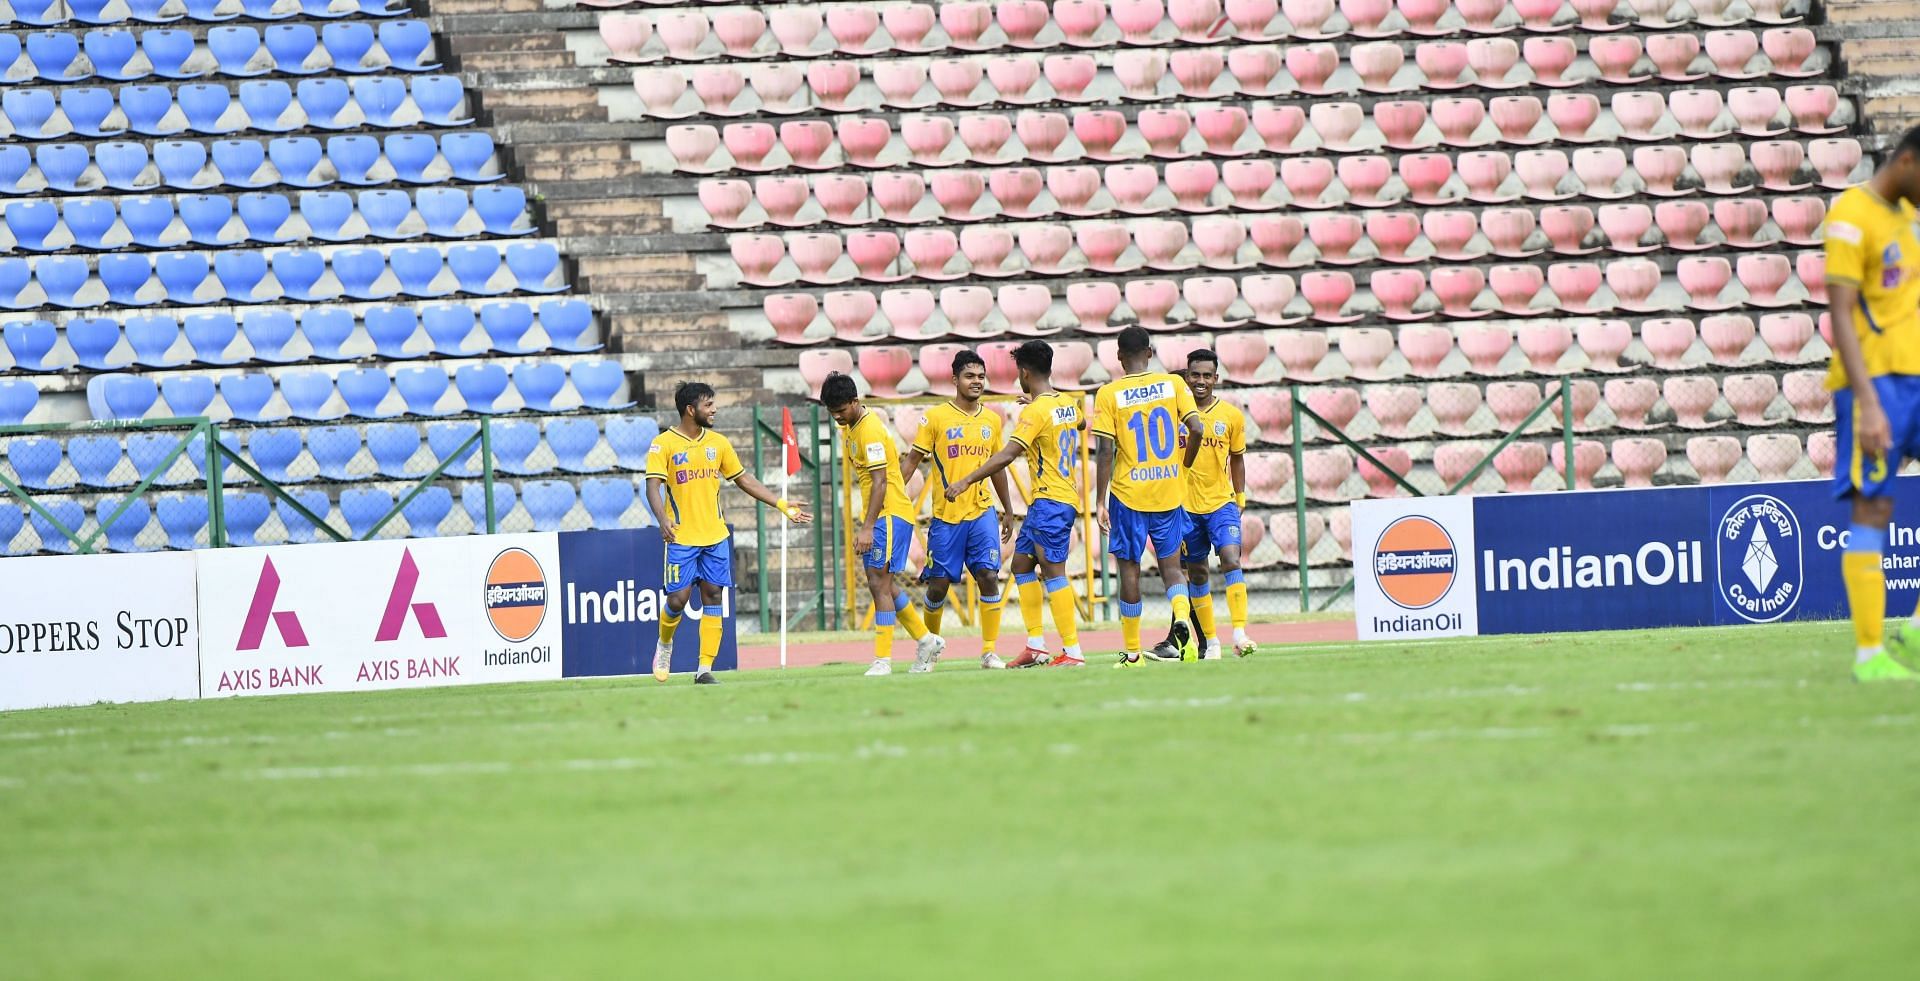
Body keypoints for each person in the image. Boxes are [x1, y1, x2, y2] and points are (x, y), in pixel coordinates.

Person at [1826, 125, 1920, 683]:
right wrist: (1868, 402)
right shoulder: (1850, 216)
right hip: (1875, 385)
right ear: (1907, 161)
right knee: (1874, 509)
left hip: (1917, 378)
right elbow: (1841, 314)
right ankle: (1869, 655)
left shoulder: (1907, 221)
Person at [645, 382, 812, 685]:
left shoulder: (719, 443)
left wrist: (780, 503)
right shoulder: (663, 444)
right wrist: (662, 519)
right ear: (690, 409)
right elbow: (652, 486)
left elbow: (743, 479)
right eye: (709, 405)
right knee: (678, 600)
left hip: (715, 536)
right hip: (682, 537)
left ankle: (704, 669)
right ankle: (665, 645)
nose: (715, 410)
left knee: (713, 595)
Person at [946, 340, 1088, 667]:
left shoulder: (1037, 411)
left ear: (1024, 372)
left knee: (1054, 572)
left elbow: (1008, 454)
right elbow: (1080, 423)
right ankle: (1036, 646)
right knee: (1021, 565)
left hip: (1052, 500)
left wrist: (967, 479)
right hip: (1053, 500)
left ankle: (1074, 651)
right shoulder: (1064, 402)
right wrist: (1037, 403)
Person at [1092, 326, 1205, 668]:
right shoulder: (1173, 385)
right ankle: (1182, 620)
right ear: (1150, 353)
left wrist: (1100, 499)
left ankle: (1132, 653)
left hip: (1129, 494)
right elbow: (1197, 428)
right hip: (1169, 490)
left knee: (1129, 570)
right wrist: (1183, 466)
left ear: (1119, 357)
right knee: (1172, 567)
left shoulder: (1109, 393)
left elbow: (1105, 449)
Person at [820, 372, 944, 676]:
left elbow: (879, 482)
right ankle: (926, 640)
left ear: (854, 401)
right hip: (885, 514)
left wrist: (868, 527)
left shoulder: (869, 430)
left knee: (877, 582)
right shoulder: (851, 426)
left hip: (888, 513)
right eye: (831, 412)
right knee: (884, 584)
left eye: (840, 410)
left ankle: (883, 660)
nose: (836, 417)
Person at [900, 351, 1016, 670]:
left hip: (982, 512)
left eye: (980, 376)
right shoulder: (936, 417)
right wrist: (894, 496)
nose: (976, 381)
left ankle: (990, 651)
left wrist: (1007, 509)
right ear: (955, 380)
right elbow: (912, 460)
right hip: (947, 517)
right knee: (938, 585)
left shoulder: (992, 420)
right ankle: (929, 647)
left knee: (988, 576)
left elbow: (999, 467)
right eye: (969, 376)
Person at [1179, 350, 1257, 659]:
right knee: (1197, 574)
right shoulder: (1174, 414)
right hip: (1185, 508)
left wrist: (1240, 495)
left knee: (1230, 559)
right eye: (1195, 375)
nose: (1200, 381)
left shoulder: (1231, 416)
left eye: (1206, 375)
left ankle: (1239, 633)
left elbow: (1237, 458)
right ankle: (1211, 642)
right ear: (1187, 377)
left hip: (1221, 503)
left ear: (1216, 378)